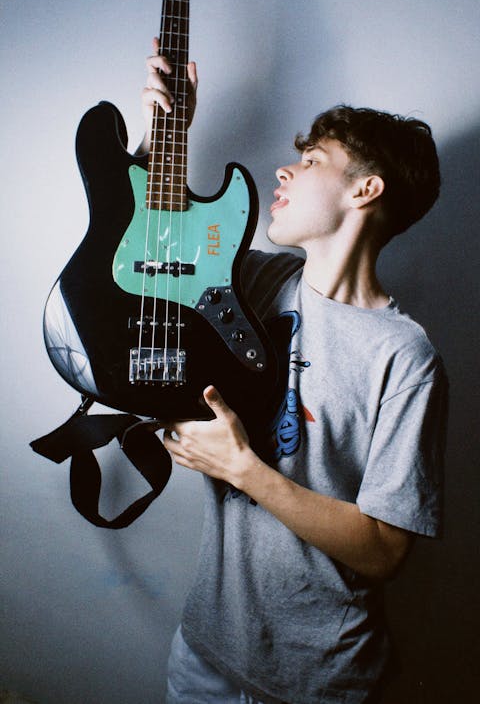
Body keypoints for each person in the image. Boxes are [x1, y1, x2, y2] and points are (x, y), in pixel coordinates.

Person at [141, 39, 448, 704]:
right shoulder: (248, 281)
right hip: (204, 655)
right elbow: (140, 258)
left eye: (311, 160)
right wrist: (163, 136)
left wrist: (244, 468)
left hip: (323, 684)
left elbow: (385, 550)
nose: (284, 170)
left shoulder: (405, 356)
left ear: (366, 189)